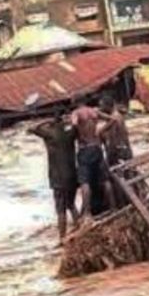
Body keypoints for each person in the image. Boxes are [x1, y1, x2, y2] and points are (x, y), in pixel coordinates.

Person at [29, 110, 80, 240]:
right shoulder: (70, 133)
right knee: (71, 205)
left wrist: (47, 121)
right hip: (72, 176)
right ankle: (79, 228)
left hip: (58, 178)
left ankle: (62, 237)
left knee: (60, 209)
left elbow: (32, 128)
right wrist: (68, 121)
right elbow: (76, 126)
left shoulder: (49, 134)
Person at [71, 100, 116, 219]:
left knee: (85, 182)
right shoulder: (94, 111)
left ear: (74, 103)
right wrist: (100, 130)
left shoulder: (76, 113)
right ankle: (113, 208)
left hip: (85, 149)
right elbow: (112, 120)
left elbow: (74, 124)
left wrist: (79, 135)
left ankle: (87, 213)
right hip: (96, 147)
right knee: (105, 179)